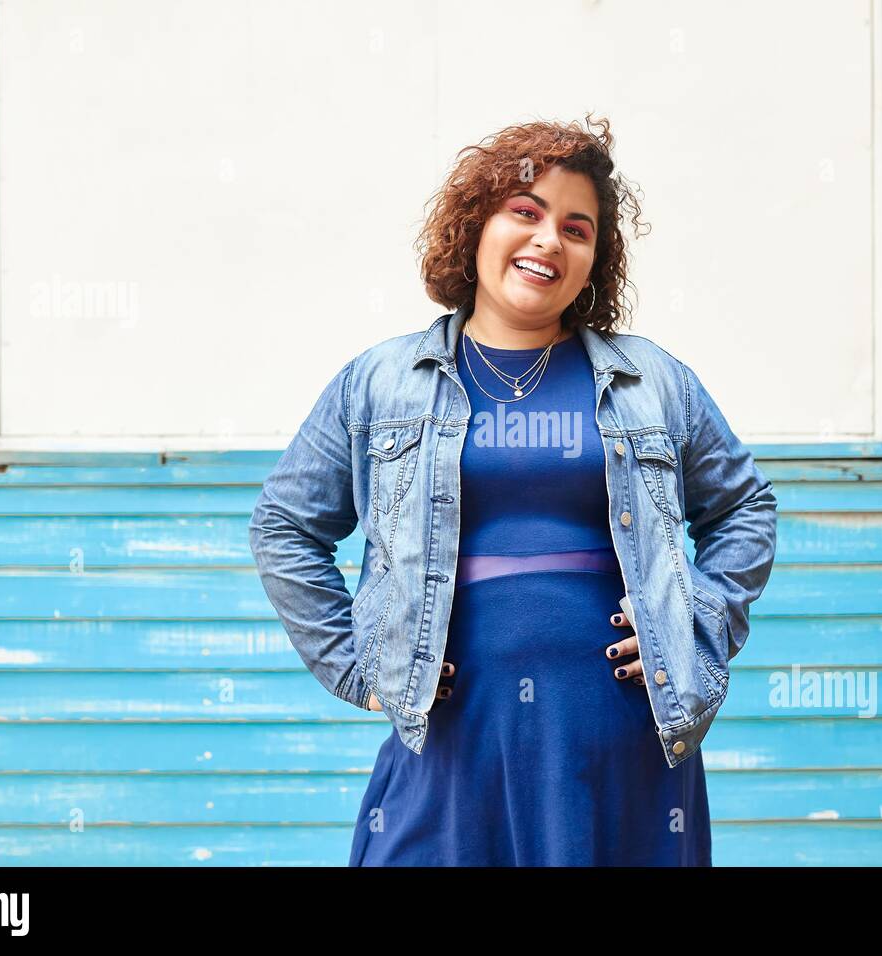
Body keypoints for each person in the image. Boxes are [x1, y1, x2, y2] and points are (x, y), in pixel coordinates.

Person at [250, 114, 778, 866]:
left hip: (623, 739)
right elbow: (283, 526)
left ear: (595, 258)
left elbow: (744, 507)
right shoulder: (381, 381)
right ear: (476, 227)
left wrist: (698, 624)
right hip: (455, 740)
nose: (547, 240)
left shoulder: (652, 381)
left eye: (576, 227)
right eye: (524, 213)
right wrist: (359, 669)